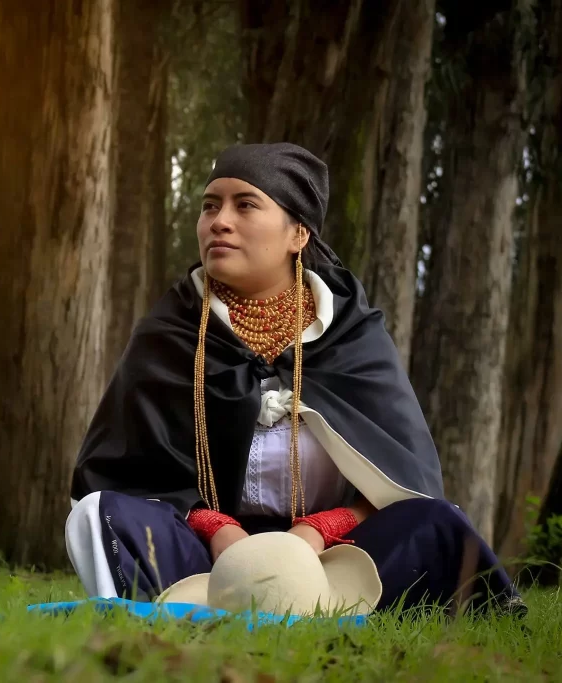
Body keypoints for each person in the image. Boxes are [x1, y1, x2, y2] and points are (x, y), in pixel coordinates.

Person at [64, 142, 524, 617]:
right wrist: (216, 528)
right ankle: (191, 612)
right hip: (206, 558)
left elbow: (403, 479)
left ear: (298, 233)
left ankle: (328, 604)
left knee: (435, 521)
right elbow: (127, 474)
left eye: (245, 205)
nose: (219, 221)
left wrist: (320, 530)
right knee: (99, 512)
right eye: (210, 206)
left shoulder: (352, 336)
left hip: (335, 554)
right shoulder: (170, 334)